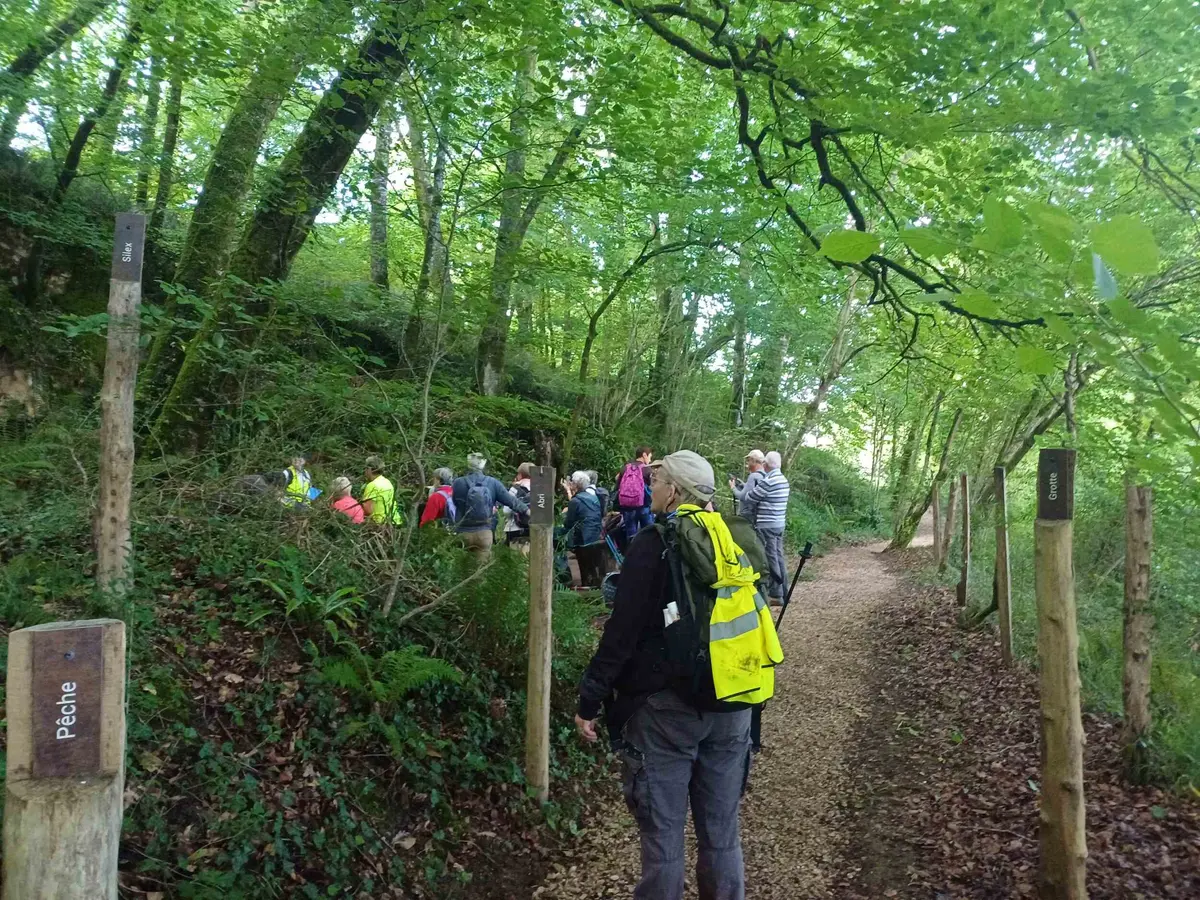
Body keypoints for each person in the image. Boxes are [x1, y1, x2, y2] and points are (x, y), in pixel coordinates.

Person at [574, 450, 782, 900]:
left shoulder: (654, 542)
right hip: (735, 701)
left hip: (666, 712)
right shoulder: (734, 538)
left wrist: (590, 700)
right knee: (721, 832)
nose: (652, 488)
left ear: (677, 491)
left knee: (664, 840)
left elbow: (621, 633)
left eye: (659, 480)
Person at [452, 452, 528, 559]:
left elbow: (455, 503)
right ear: (483, 464)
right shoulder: (492, 483)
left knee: (462, 570)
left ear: (468, 464)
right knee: (480, 571)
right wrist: (527, 511)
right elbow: (511, 501)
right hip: (484, 532)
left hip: (463, 532)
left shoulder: (458, 483)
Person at [741, 450, 791, 604]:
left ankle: (776, 595)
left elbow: (749, 498)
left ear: (766, 465)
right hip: (779, 524)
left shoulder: (768, 481)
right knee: (779, 556)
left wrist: (742, 489)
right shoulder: (783, 480)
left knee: (770, 558)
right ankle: (784, 592)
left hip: (767, 525)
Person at [560, 471, 603, 587]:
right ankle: (595, 587)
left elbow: (569, 523)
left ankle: (580, 585)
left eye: (572, 482)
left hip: (583, 539)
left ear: (576, 485)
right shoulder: (594, 498)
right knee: (593, 567)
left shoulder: (575, 501)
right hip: (596, 535)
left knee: (584, 568)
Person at [615, 445, 653, 541]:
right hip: (644, 506)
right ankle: (646, 553)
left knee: (631, 534)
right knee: (648, 533)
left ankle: (631, 553)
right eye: (650, 457)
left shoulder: (625, 468)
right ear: (644, 455)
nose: (650, 460)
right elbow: (653, 488)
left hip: (627, 506)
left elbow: (618, 486)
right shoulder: (647, 469)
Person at [361, 456, 403, 525]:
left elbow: (368, 510)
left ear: (370, 469)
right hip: (394, 520)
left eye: (365, 468)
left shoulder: (372, 485)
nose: (364, 471)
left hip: (380, 523)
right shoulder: (387, 482)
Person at [504, 463, 534, 550]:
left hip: (514, 528)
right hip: (533, 528)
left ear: (520, 475)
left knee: (515, 559)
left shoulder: (515, 488)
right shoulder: (539, 488)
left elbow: (506, 511)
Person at [728, 449, 766, 519]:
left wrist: (733, 487)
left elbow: (742, 497)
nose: (747, 463)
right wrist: (745, 485)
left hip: (747, 517)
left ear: (753, 461)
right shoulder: (765, 475)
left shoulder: (753, 476)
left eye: (748, 460)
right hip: (758, 517)